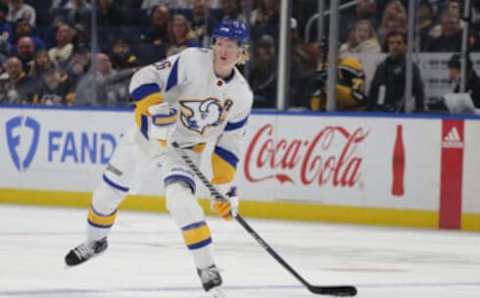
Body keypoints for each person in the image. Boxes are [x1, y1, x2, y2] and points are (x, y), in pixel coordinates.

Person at [64, 20, 253, 298]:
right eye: (220, 42)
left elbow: (229, 144)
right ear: (213, 43)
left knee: (181, 201)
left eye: (232, 45)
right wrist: (155, 109)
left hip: (186, 147)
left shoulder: (241, 95)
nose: (224, 50)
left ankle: (208, 268)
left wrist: (223, 188)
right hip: (147, 135)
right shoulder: (191, 61)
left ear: (242, 52)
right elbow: (143, 77)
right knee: (107, 194)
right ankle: (95, 242)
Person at [368, 31, 425, 112]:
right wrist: (370, 110)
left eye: (399, 43)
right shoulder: (382, 66)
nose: (395, 45)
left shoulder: (410, 67)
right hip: (381, 111)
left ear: (405, 46)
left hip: (402, 112)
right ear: (388, 46)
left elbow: (419, 92)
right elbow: (374, 91)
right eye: (391, 43)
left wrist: (420, 111)